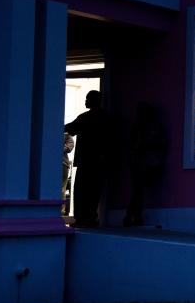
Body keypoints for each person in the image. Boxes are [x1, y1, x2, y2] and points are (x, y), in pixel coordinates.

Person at [63, 90, 113, 227]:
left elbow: (70, 129)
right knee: (94, 192)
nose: (85, 101)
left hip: (86, 162)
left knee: (81, 191)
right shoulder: (106, 118)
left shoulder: (85, 117)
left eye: (87, 99)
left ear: (93, 101)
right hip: (100, 163)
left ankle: (81, 219)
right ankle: (91, 218)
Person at [123, 102, 167, 227]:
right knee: (138, 191)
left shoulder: (149, 127)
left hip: (143, 162)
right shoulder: (142, 127)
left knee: (138, 191)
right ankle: (134, 216)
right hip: (141, 162)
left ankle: (133, 216)